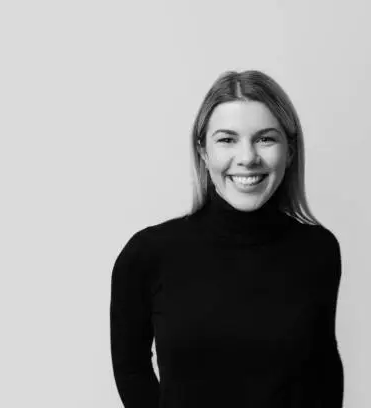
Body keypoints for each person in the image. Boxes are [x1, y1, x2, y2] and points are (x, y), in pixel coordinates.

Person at [109, 70, 344, 407]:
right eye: (227, 139)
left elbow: (323, 372)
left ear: (290, 151)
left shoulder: (318, 250)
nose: (247, 157)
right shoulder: (148, 253)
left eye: (265, 138)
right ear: (203, 151)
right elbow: (131, 369)